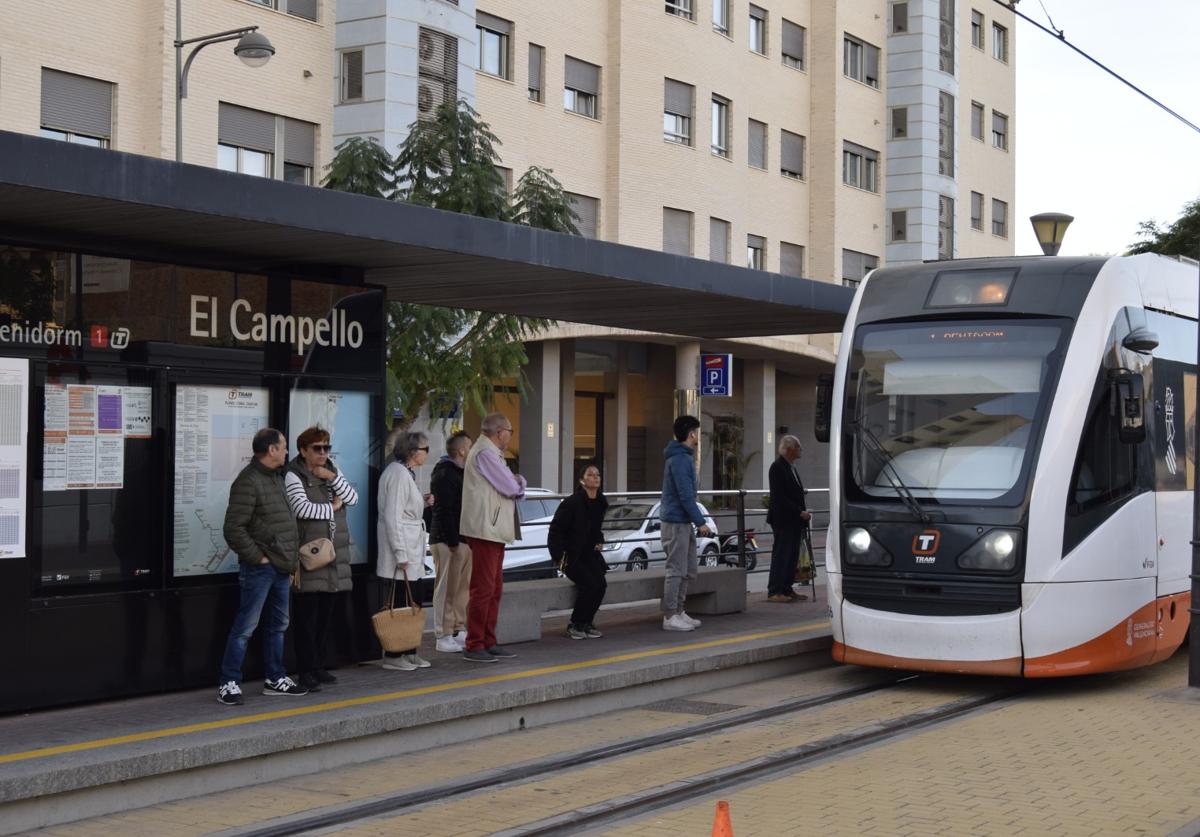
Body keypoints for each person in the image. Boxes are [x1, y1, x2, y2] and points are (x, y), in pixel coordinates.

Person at [217, 428, 307, 705]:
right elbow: (233, 528)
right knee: (246, 625)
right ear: (271, 450)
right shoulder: (249, 481)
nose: (286, 451)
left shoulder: (275, 478)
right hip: (261, 568)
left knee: (278, 625)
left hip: (281, 567)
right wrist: (258, 557)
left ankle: (275, 677)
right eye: (283, 447)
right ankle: (229, 682)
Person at [285, 426, 359, 691]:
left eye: (326, 447)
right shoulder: (293, 475)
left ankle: (318, 665)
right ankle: (305, 670)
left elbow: (353, 497)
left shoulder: (331, 469)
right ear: (303, 450)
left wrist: (331, 476)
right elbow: (301, 508)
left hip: (333, 554)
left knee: (325, 615)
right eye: (317, 448)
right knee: (307, 617)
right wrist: (333, 507)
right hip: (310, 555)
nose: (323, 453)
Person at [459, 412, 526, 662]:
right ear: (500, 432)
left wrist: (515, 482)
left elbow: (510, 483)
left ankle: (488, 639)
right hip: (486, 527)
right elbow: (510, 486)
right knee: (484, 588)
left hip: (491, 527)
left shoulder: (488, 452)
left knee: (493, 587)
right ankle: (475, 643)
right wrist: (518, 483)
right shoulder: (486, 453)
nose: (510, 435)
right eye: (510, 430)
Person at [377, 430, 433, 671]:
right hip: (403, 549)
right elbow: (393, 515)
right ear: (412, 452)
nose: (427, 454)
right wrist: (400, 552)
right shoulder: (398, 474)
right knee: (401, 601)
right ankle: (395, 653)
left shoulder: (403, 473)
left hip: (411, 544)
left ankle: (410, 650)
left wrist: (421, 500)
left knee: (413, 600)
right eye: (424, 449)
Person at [659, 415, 712, 632]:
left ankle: (679, 610)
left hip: (682, 521)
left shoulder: (682, 457)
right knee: (676, 569)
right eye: (697, 432)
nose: (698, 436)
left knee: (687, 568)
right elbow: (685, 495)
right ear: (691, 433)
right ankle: (670, 615)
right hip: (676, 522)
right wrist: (701, 522)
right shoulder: (680, 460)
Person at [548, 462, 608, 640]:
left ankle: (587, 623)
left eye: (597, 474)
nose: (595, 477)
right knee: (589, 584)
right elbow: (556, 530)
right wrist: (558, 557)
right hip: (571, 556)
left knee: (601, 585)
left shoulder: (600, 501)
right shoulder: (572, 503)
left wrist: (599, 541)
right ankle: (575, 624)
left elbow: (596, 529)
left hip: (590, 554)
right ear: (582, 481)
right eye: (590, 475)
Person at [429, 431, 472, 653]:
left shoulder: (462, 472)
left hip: (462, 539)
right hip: (448, 541)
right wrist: (453, 541)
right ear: (462, 450)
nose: (473, 449)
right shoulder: (445, 473)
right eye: (470, 445)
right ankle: (443, 634)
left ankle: (458, 629)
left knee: (461, 589)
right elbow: (444, 510)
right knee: (446, 589)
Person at [766, 435, 811, 603]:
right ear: (788, 449)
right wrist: (799, 512)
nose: (801, 450)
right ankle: (775, 590)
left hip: (794, 519)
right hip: (783, 518)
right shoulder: (777, 467)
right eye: (798, 447)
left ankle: (786, 587)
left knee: (792, 555)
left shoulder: (791, 467)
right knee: (782, 554)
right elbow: (779, 497)